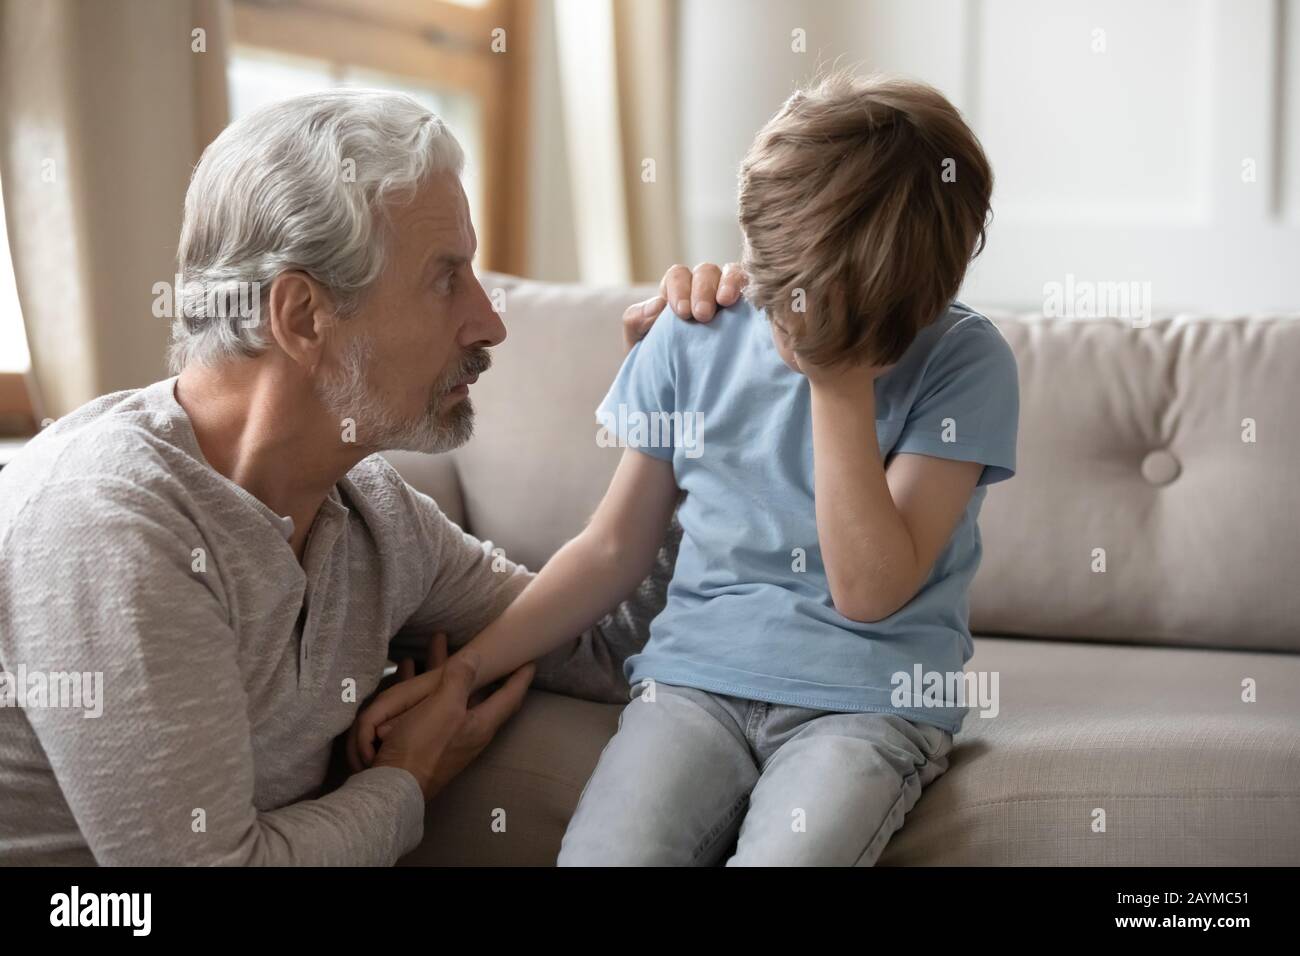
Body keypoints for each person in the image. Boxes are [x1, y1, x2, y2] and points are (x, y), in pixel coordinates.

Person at [0, 88, 732, 865]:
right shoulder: (114, 525)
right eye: (446, 278)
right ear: (302, 316)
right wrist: (405, 785)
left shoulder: (371, 518)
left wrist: (677, 423)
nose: (490, 322)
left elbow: (603, 644)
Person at [355, 72, 1020, 866]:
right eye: (776, 293)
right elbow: (611, 549)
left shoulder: (964, 362)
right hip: (694, 687)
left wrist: (836, 382)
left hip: (869, 705)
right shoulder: (696, 333)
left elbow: (870, 590)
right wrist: (463, 670)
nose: (780, 322)